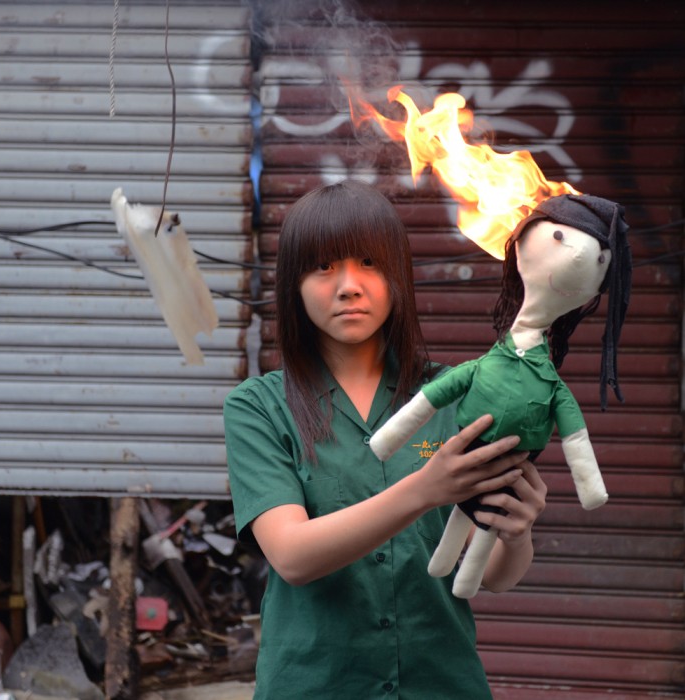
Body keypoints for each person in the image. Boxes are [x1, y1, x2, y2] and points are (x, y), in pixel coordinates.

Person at [224, 179, 547, 698]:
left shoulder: (457, 396)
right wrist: (425, 489)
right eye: (323, 267)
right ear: (293, 285)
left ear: (397, 276)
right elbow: (292, 556)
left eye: (370, 263)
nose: (348, 286)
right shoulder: (258, 407)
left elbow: (493, 575)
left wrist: (516, 531)